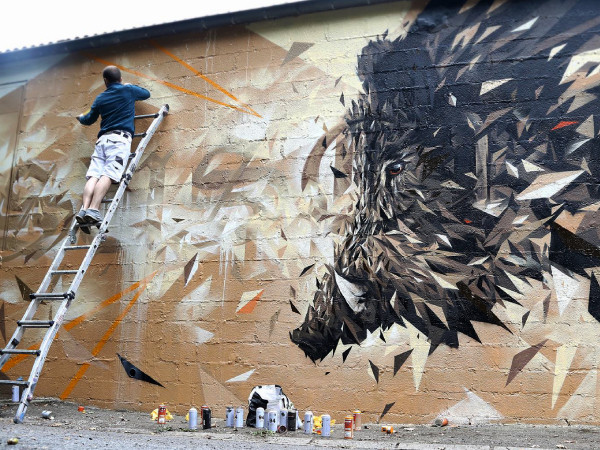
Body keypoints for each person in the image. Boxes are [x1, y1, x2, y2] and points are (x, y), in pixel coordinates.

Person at [76, 65, 150, 232]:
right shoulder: (128, 90)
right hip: (119, 140)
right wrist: (128, 86)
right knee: (109, 174)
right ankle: (94, 209)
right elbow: (146, 94)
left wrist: (81, 118)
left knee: (93, 175)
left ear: (105, 81)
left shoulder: (100, 98)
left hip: (102, 140)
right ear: (120, 79)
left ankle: (84, 209)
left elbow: (88, 119)